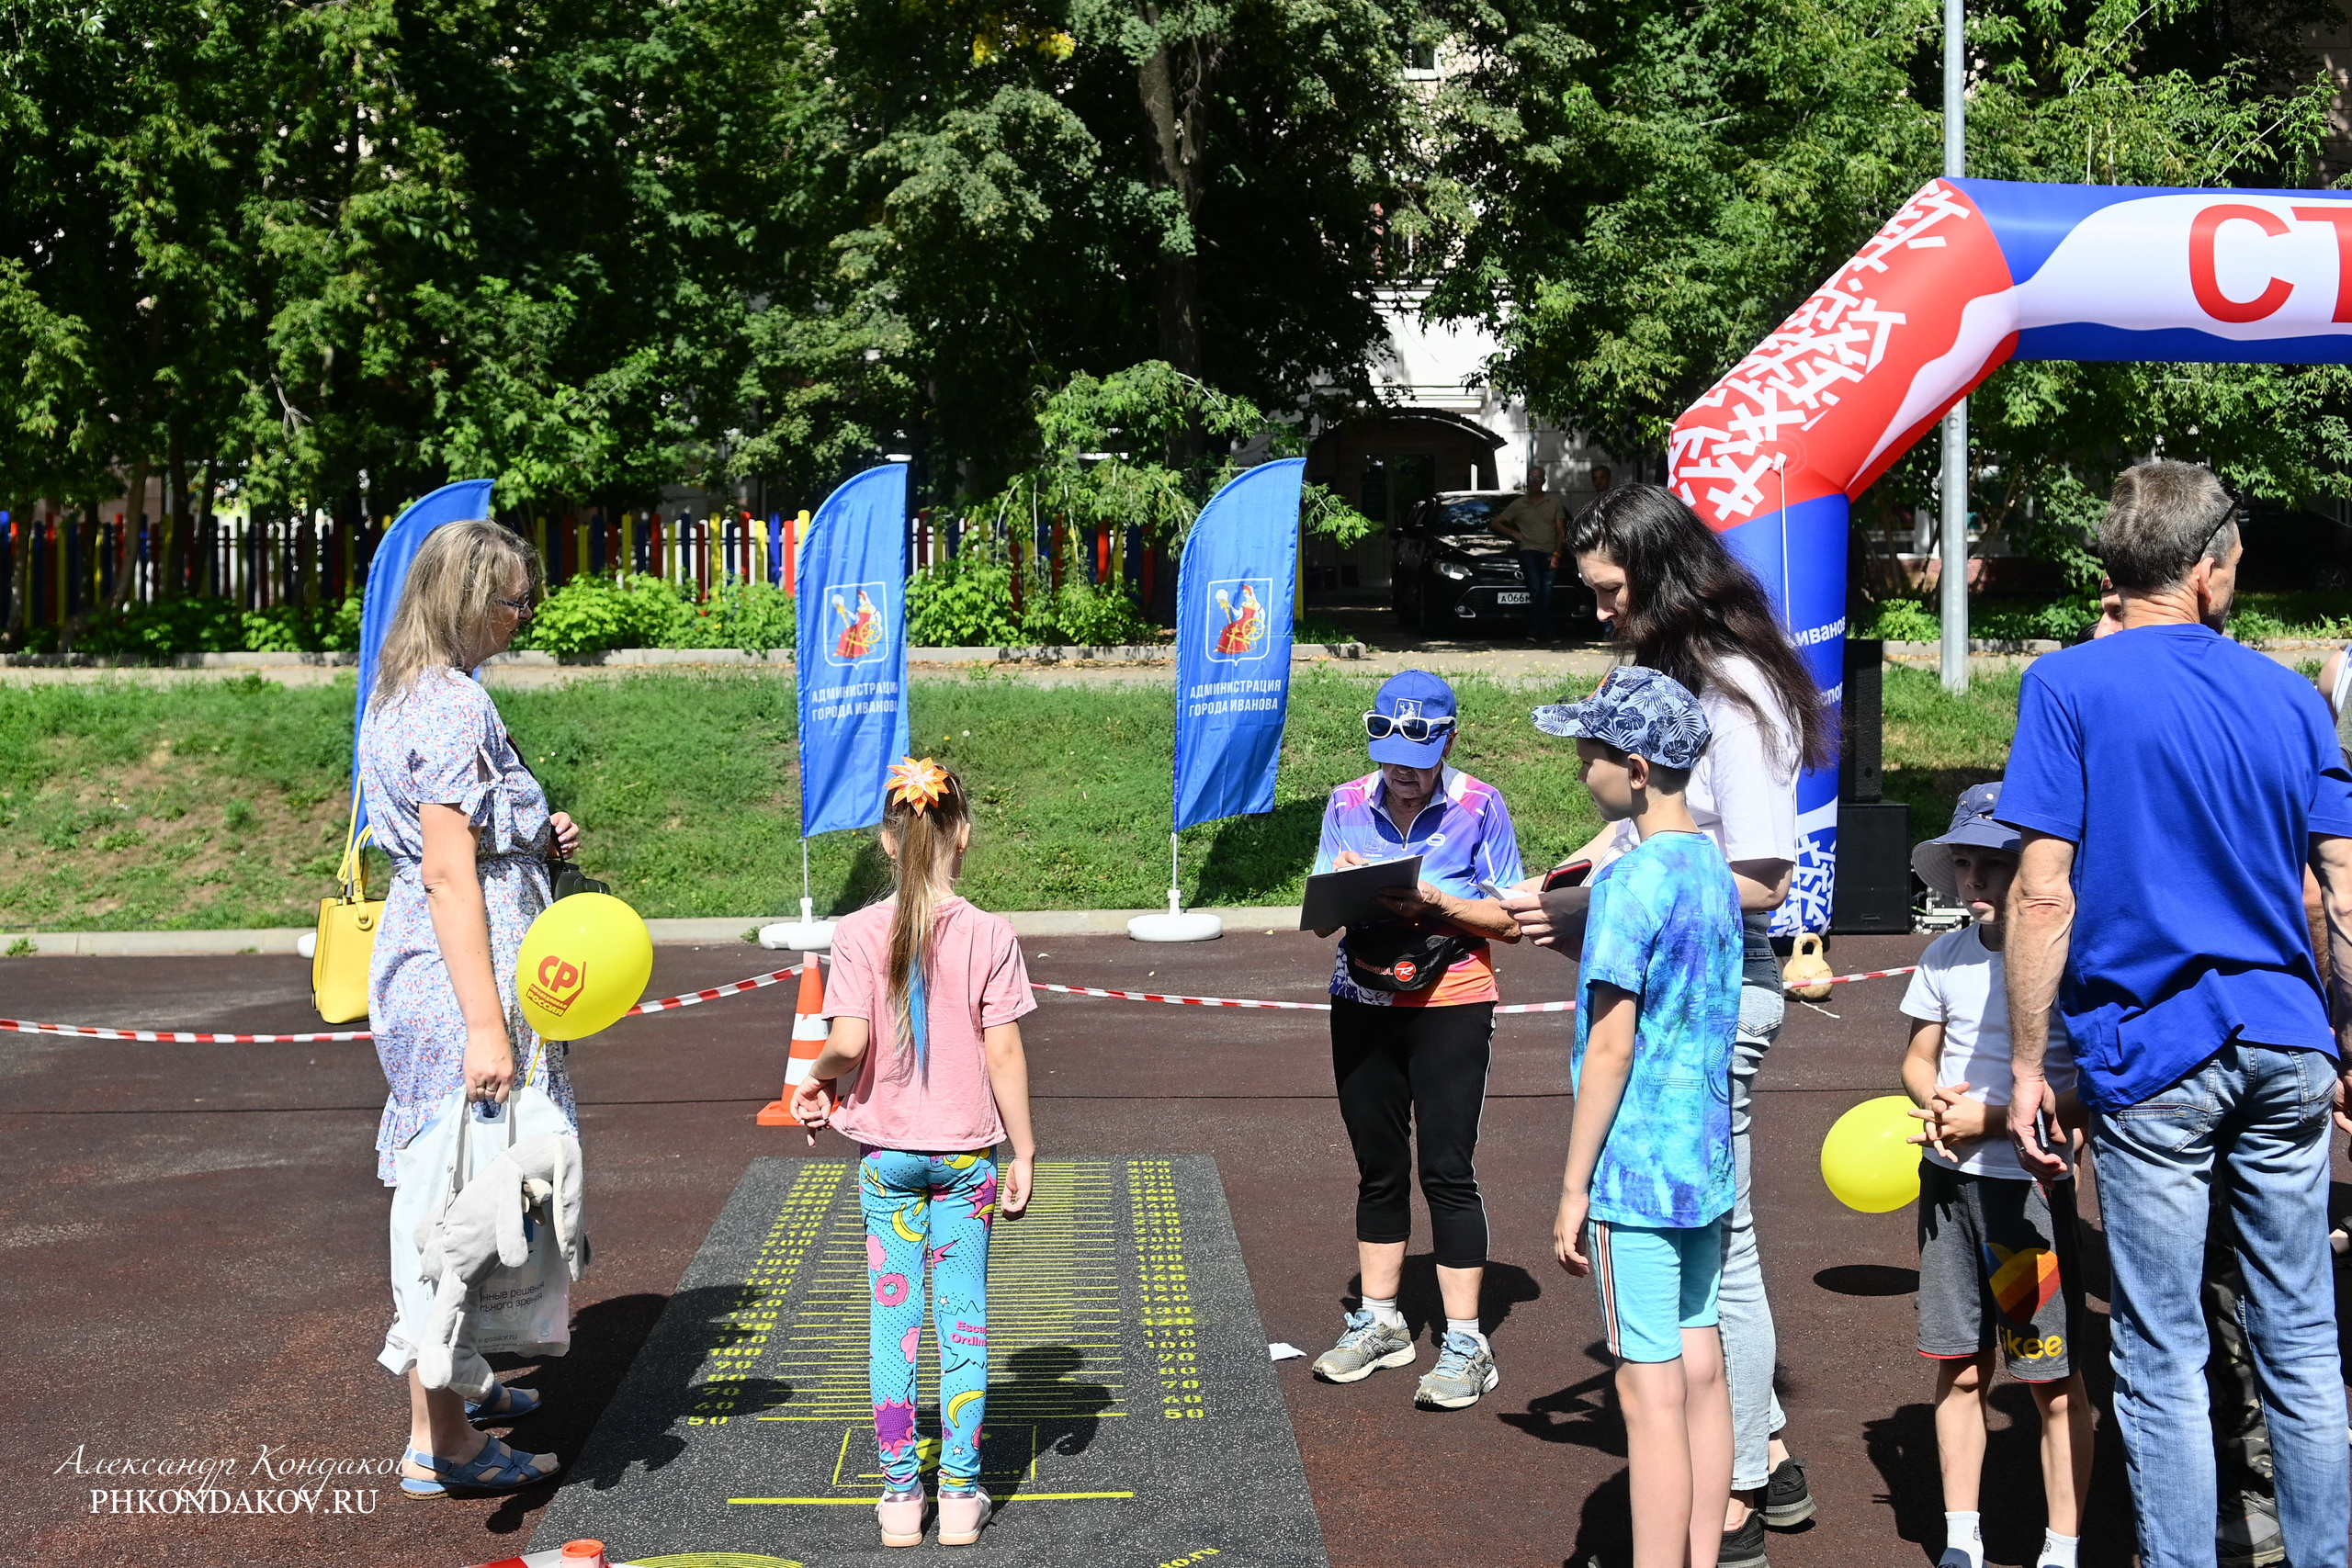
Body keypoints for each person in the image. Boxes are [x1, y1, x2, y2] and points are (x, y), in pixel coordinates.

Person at [2000, 459, 2352, 1568]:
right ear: (2205, 571)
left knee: (2161, 1349)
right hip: (2285, 1037)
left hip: (2153, 1044)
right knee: (2300, 1336)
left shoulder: (2068, 687)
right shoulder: (2293, 694)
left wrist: (2023, 1066)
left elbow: (2041, 888)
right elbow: (2342, 884)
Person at [1507, 483, 1837, 1564]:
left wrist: (1609, 899)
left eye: (1609, 592)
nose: (1599, 611)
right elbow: (1670, 836)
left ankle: (1738, 1478)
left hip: (1712, 997)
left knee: (1715, 1256)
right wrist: (1589, 876)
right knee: (1713, 1261)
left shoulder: (1731, 689)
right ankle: (1749, 1463)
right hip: (1704, 978)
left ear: (1658, 576)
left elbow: (1757, 870)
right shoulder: (1687, 685)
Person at [359, 519, 580, 1498]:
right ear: (462, 600)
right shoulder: (451, 707)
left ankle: (465, 1386)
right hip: (463, 981)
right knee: (458, 1201)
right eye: (510, 598)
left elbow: (465, 843)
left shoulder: (410, 692)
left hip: (436, 966)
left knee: (462, 1183)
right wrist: (487, 1026)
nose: (523, 614)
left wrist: (536, 831)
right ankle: (438, 1440)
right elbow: (451, 874)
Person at [792, 756, 1038, 1549]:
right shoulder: (991, 934)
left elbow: (851, 1041)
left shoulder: (859, 932)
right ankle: (962, 1496)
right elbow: (1004, 1054)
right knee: (963, 1322)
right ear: (962, 834)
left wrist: (815, 1078)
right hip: (966, 1158)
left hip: (887, 1157)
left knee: (892, 1323)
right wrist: (1022, 1151)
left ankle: (902, 1497)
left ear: (887, 841)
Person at [1544, 667, 1742, 1568]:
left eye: (1587, 754)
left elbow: (1611, 1046)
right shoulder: (1711, 868)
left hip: (1634, 1169)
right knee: (1700, 1368)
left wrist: (1573, 1184)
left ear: (1631, 767)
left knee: (1645, 1393)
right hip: (1700, 1160)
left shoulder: (1629, 884)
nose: (1578, 768)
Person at [1307, 669, 1525, 1410]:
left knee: (1446, 1165)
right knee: (1377, 1164)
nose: (1400, 768)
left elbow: (1510, 920)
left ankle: (1466, 1339)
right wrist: (1340, 887)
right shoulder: (1344, 802)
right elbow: (1320, 916)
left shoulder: (1480, 804)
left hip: (1451, 997)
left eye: (1416, 750)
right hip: (1361, 993)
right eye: (1388, 750)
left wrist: (1433, 897)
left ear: (1449, 738)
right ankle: (1381, 1320)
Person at [1898, 784, 2092, 1568]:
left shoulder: (2064, 963)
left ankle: (2064, 1542)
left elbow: (2087, 1084)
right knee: (1960, 1369)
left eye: (1994, 865)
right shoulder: (1943, 955)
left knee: (2051, 1379)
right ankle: (1962, 1536)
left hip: (2027, 1196)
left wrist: (1991, 1116)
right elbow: (1918, 1056)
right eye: (1965, 865)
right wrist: (1933, 1097)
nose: (1975, 881)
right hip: (1950, 1192)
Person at [1490, 463, 1569, 642]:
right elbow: (1496, 522)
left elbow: (1561, 530)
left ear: (1544, 481)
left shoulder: (1554, 503)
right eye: (1531, 478)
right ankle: (1547, 632)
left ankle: (1535, 631)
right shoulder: (1519, 504)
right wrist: (1513, 533)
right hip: (1529, 551)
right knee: (1537, 589)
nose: (1534, 481)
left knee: (1546, 592)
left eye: (1537, 478)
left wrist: (1557, 554)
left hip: (1550, 553)